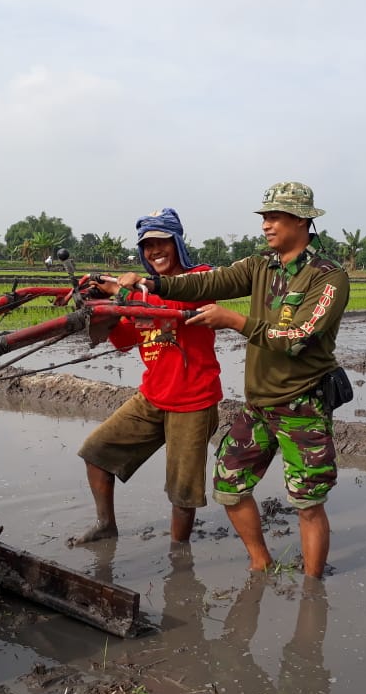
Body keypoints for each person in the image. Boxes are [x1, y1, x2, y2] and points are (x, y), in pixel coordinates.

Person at [116, 181, 350, 579]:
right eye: (265, 218)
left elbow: (296, 340)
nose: (266, 226)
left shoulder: (327, 278)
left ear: (302, 221)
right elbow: (206, 283)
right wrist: (152, 284)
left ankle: (313, 588)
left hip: (302, 403)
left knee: (307, 501)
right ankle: (261, 562)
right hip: (259, 404)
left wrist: (233, 320)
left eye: (275, 217)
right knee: (229, 483)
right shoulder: (260, 266)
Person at [69, 208, 222, 546]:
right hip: (152, 397)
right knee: (96, 453)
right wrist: (96, 310)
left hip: (193, 401)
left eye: (162, 242)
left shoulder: (200, 277)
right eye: (148, 245)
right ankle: (105, 525)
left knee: (182, 493)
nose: (155, 251)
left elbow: (174, 301)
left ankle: (178, 554)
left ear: (178, 243)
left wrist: (124, 292)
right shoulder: (138, 293)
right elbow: (123, 340)